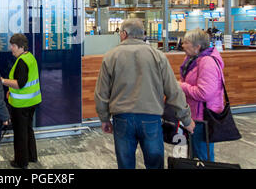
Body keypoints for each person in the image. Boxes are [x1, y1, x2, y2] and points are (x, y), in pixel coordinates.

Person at [95, 18, 195, 169]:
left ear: (123, 34)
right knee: (154, 163)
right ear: (142, 34)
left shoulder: (111, 56)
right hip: (151, 118)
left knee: (125, 164)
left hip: (122, 118)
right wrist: (186, 119)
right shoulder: (158, 56)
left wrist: (104, 119)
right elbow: (173, 90)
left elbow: (102, 93)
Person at [179, 28, 224, 162]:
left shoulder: (207, 62)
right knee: (195, 155)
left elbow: (204, 93)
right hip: (194, 115)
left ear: (197, 46)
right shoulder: (193, 60)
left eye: (186, 42)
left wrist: (181, 86)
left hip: (203, 118)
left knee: (202, 157)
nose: (182, 45)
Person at [2, 33, 41, 169]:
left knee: (20, 133)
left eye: (13, 46)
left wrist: (3, 81)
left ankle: (21, 162)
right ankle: (31, 156)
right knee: (28, 129)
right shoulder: (30, 57)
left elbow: (20, 84)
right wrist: (10, 90)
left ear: (21, 47)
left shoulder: (21, 61)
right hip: (32, 101)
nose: (11, 48)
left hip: (21, 104)